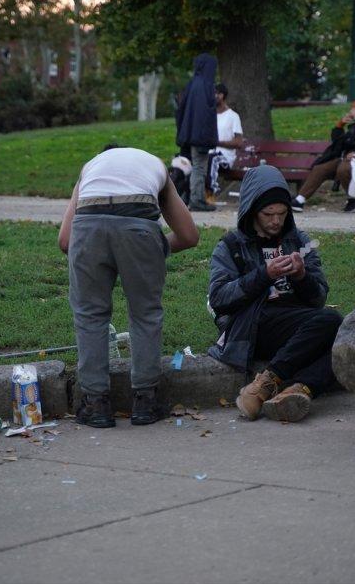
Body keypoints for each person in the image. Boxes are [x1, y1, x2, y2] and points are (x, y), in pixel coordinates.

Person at [58, 146, 199, 428]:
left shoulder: (90, 168)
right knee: (145, 313)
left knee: (90, 315)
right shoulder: (155, 166)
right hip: (139, 222)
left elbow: (65, 241)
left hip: (88, 224)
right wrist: (150, 251)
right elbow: (189, 236)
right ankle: (146, 402)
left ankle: (95, 404)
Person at [207, 165, 342, 422]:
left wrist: (301, 277)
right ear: (251, 210)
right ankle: (271, 384)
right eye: (268, 214)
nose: (276, 221)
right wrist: (264, 275)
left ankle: (295, 390)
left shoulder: (298, 241)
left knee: (341, 336)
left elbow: (318, 298)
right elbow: (219, 299)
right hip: (253, 324)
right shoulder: (232, 245)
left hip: (295, 321)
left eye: (282, 213)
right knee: (332, 321)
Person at [292, 99, 355, 213]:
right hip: (346, 160)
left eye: (354, 109)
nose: (350, 112)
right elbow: (337, 143)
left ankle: (353, 200)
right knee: (320, 168)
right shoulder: (354, 127)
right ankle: (299, 200)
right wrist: (340, 125)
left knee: (343, 169)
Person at [175, 53, 218, 212]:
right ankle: (197, 200)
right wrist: (206, 138)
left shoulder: (193, 84)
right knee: (200, 167)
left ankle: (191, 198)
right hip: (200, 135)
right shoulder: (206, 85)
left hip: (189, 133)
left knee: (195, 167)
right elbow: (204, 114)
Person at [206, 82, 244, 197]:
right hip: (208, 153)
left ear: (221, 95)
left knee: (213, 158)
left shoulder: (233, 116)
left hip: (225, 158)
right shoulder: (209, 116)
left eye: (214, 93)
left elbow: (239, 142)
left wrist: (217, 143)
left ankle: (210, 193)